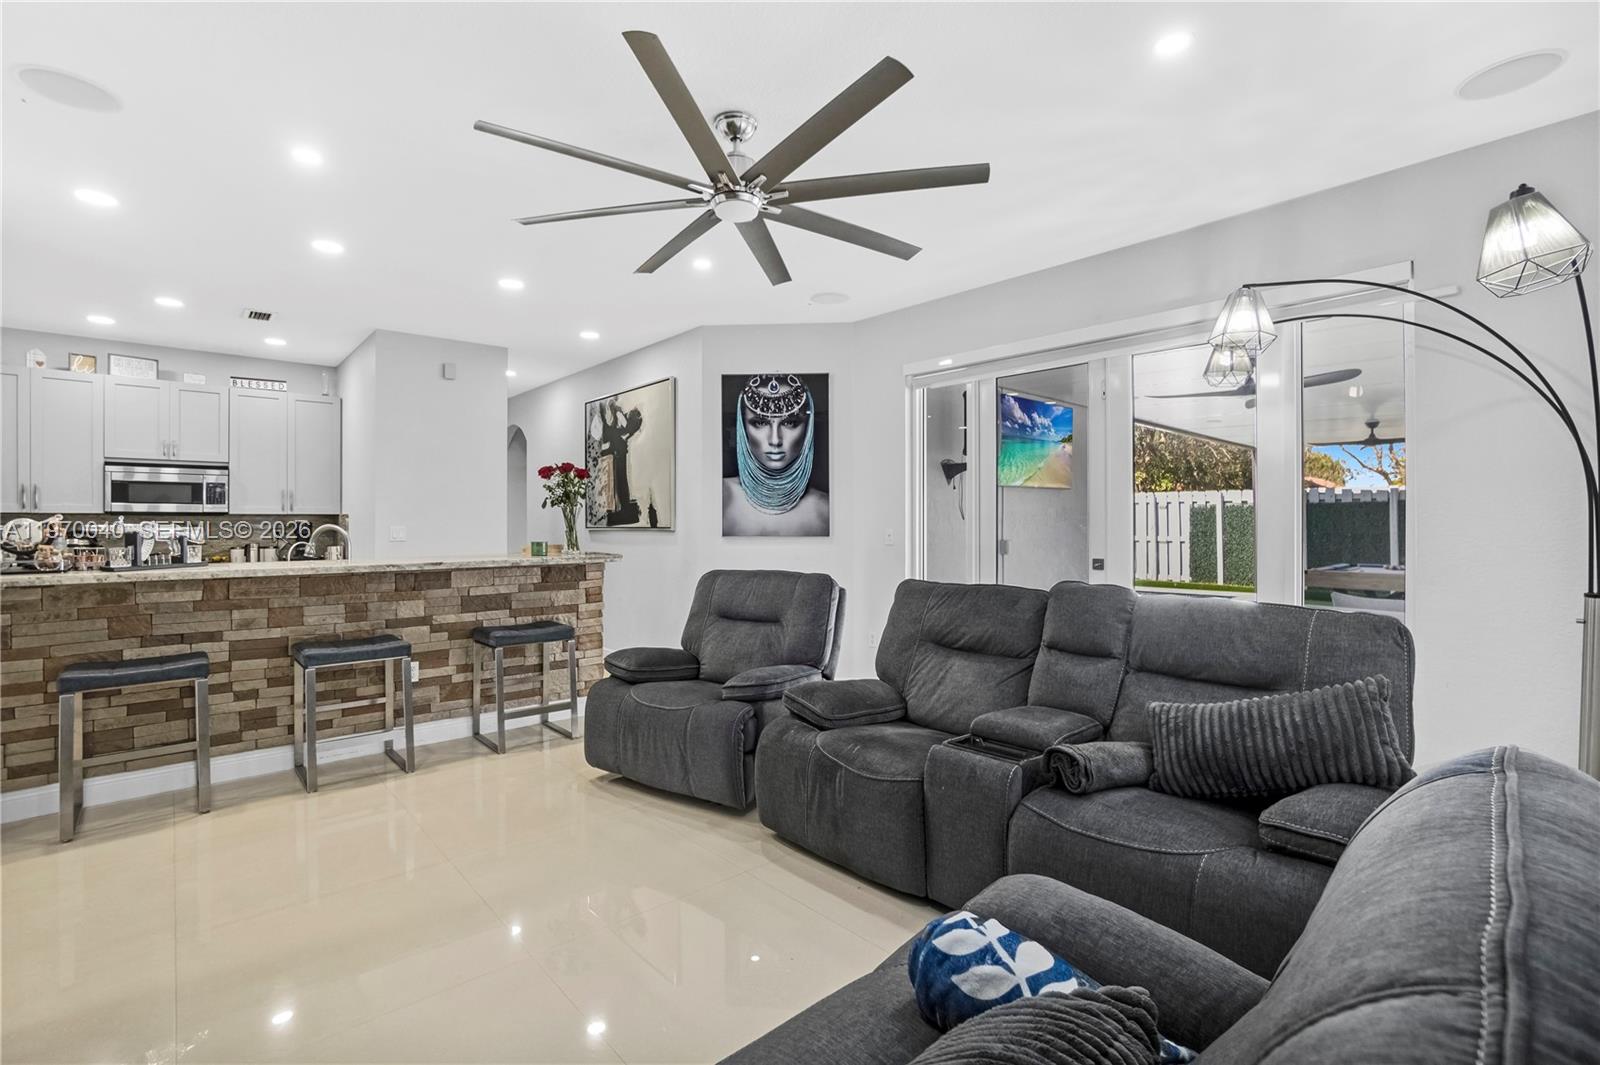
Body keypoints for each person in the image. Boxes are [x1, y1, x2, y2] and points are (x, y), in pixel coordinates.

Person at [723, 374, 828, 536]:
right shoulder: (720, 498)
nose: (775, 440)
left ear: (808, 427)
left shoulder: (827, 512)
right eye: (760, 422)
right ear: (743, 426)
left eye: (790, 423)